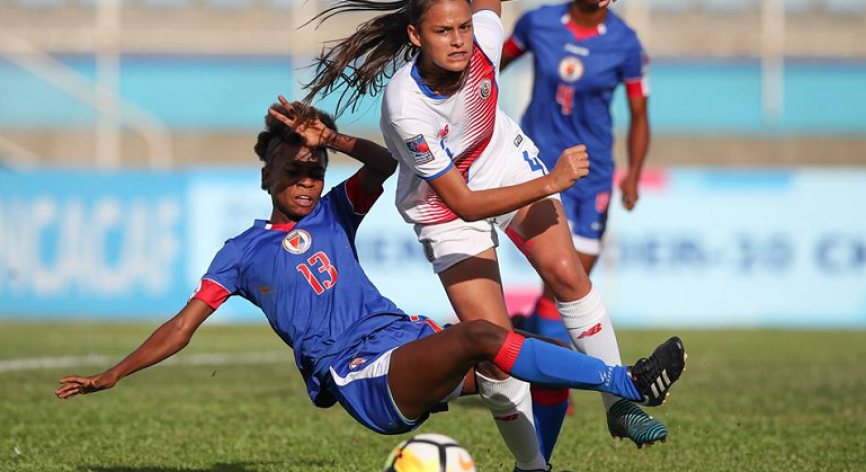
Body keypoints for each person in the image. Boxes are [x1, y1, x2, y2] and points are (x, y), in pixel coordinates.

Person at [54, 102, 686, 465]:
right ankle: (624, 384)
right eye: (294, 165)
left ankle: (548, 457)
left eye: (314, 166)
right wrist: (116, 372)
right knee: (483, 336)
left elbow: (385, 162)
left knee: (513, 370)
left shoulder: (335, 211)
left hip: (401, 340)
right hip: (361, 374)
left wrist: (334, 138)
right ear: (266, 174)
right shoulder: (242, 253)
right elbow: (183, 326)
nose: (307, 174)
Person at [302, 0, 657, 466]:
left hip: (502, 162)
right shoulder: (406, 106)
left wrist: (542, 181)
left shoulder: (484, 41)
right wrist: (552, 182)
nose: (459, 40)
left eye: (465, 27)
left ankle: (618, 407)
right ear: (415, 36)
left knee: (568, 274)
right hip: (443, 206)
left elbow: (491, 6)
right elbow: (462, 203)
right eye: (444, 31)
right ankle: (533, 466)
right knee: (495, 347)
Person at [499, 0, 654, 446]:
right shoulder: (537, 23)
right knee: (563, 276)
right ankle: (555, 378)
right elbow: (487, 71)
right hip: (534, 165)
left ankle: (543, 359)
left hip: (592, 174)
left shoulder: (625, 43)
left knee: (573, 275)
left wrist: (635, 175)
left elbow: (640, 115)